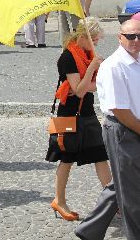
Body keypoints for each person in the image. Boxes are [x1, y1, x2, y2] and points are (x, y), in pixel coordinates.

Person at [74, 18, 140, 240]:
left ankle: (89, 230)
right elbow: (120, 110)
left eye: (139, 36)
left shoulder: (137, 60)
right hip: (123, 129)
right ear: (119, 38)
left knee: (122, 183)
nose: (136, 40)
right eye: (130, 36)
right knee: (130, 193)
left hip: (135, 125)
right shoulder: (113, 66)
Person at [45, 17, 111, 221]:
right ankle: (59, 200)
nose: (97, 43)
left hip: (87, 114)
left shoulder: (87, 54)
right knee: (66, 160)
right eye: (96, 38)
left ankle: (114, 201)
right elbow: (80, 90)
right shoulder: (67, 57)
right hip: (68, 115)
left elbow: (94, 85)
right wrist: (92, 70)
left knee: (100, 156)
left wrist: (94, 78)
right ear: (84, 37)